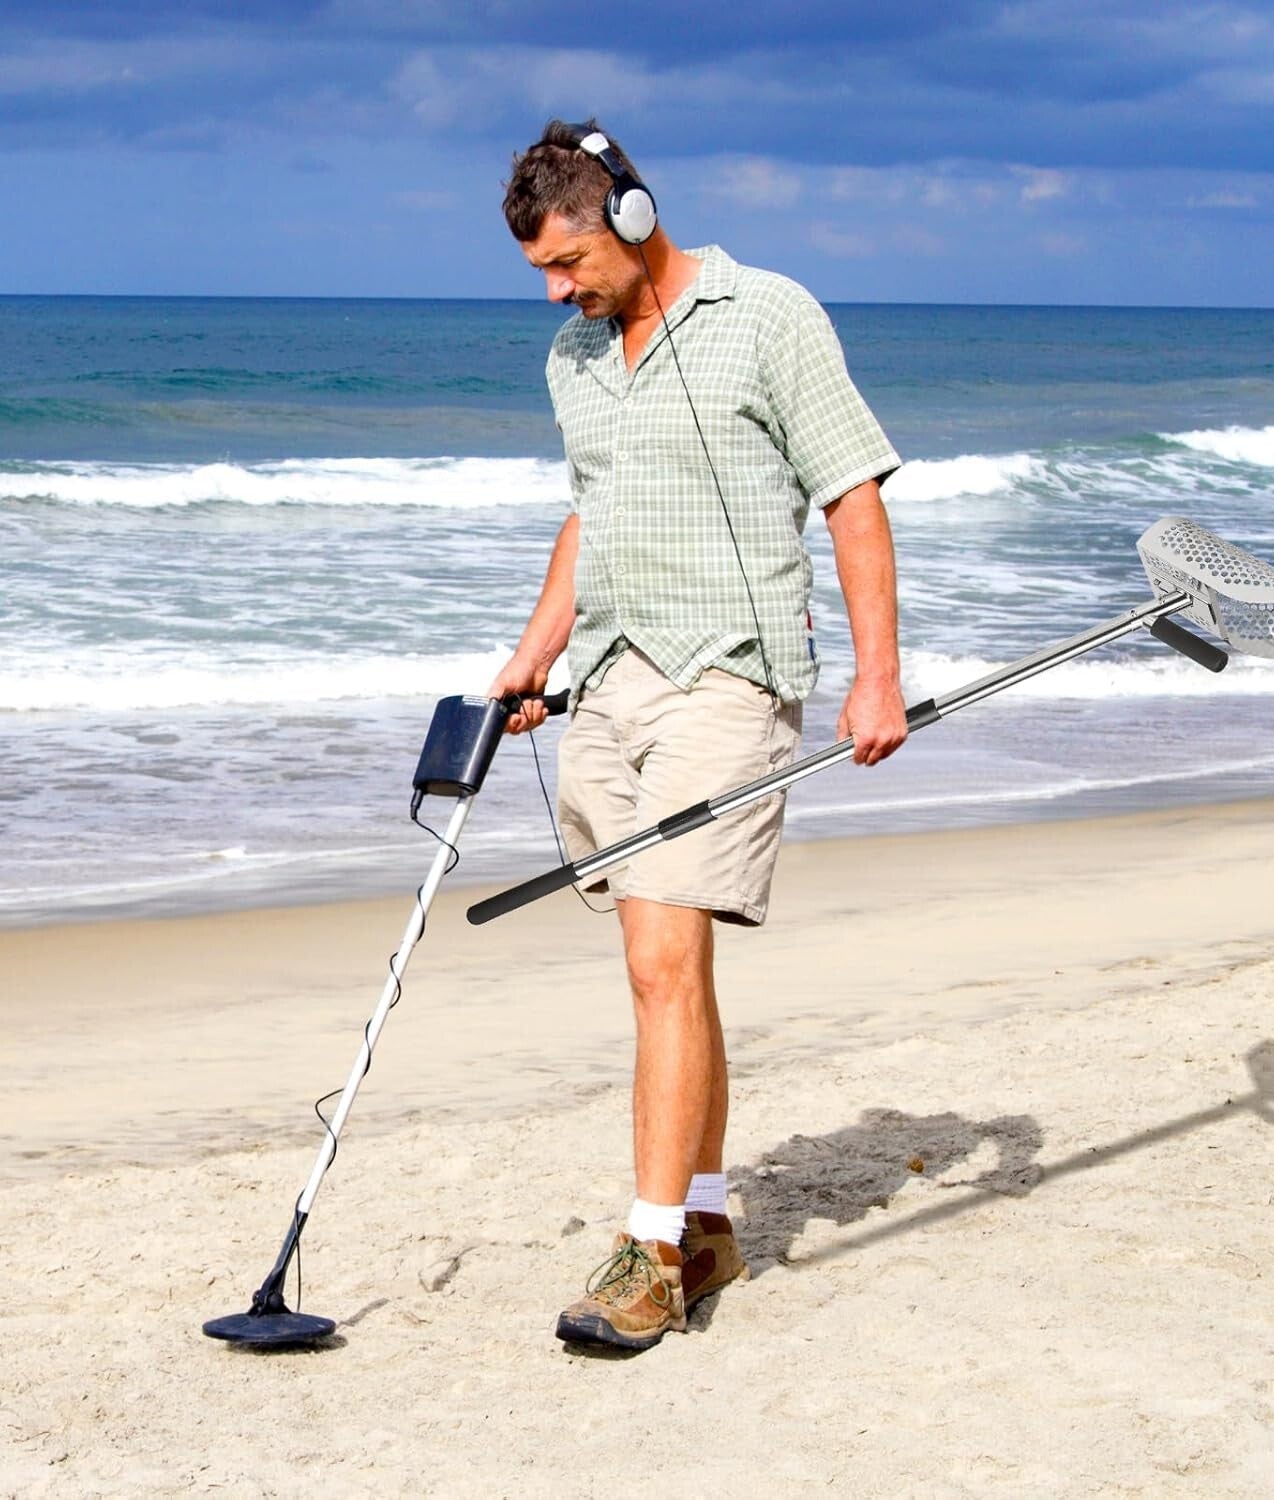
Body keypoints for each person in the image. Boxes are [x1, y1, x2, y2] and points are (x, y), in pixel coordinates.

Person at [488, 119, 907, 1351]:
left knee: (661, 966)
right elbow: (592, 515)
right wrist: (535, 650)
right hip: (611, 684)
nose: (559, 293)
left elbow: (853, 491)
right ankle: (711, 1219)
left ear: (628, 216)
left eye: (570, 265)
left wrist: (876, 676)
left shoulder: (767, 315)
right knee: (666, 970)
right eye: (542, 278)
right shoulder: (574, 359)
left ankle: (650, 1254)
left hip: (728, 682)